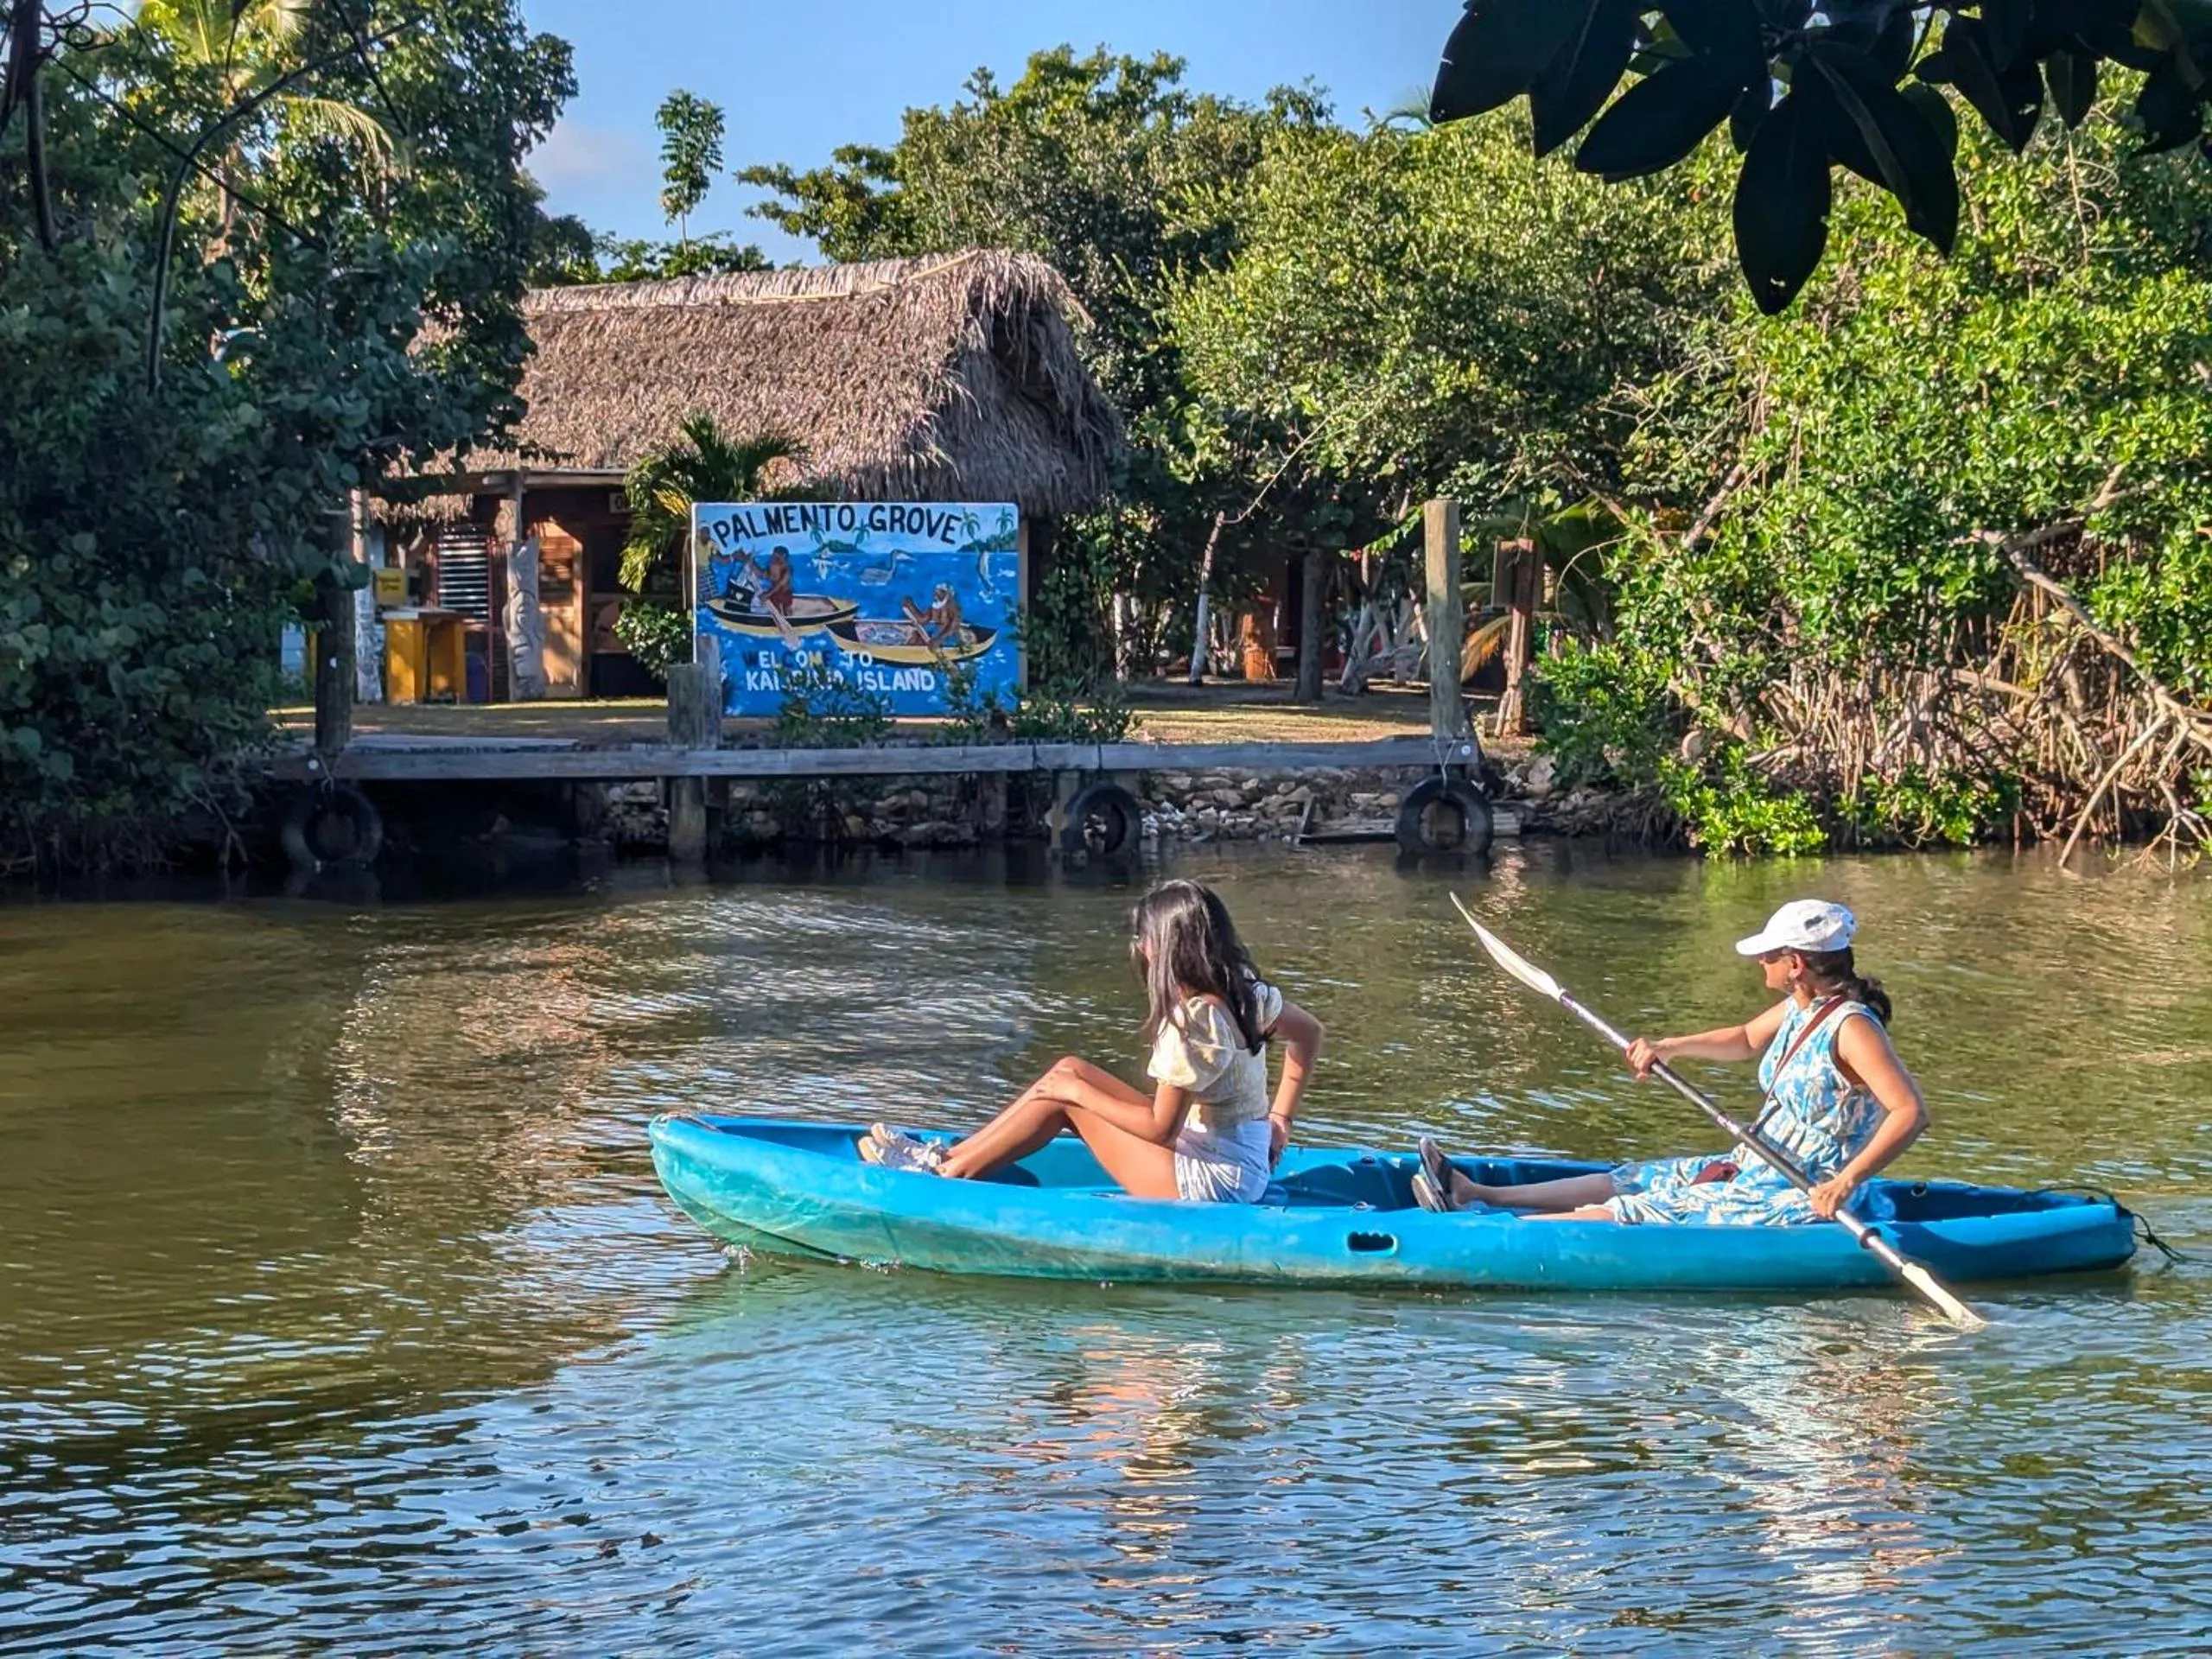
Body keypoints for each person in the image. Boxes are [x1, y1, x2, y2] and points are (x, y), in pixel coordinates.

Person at [1414, 899, 1928, 1224]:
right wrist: (1669, 1046)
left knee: (1642, 1208)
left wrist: (1846, 1181)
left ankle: (1487, 1232)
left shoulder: (1853, 1027)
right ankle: (1476, 1193)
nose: (1759, 963)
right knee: (1636, 1178)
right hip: (1755, 1167)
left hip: (1802, 1191)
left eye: (1768, 956)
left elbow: (1909, 1112)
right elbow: (1746, 1039)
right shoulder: (1803, 1009)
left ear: (1795, 964)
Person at [861, 880, 1325, 1202]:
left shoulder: (1192, 1025)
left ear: (1165, 949)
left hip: (1218, 1183)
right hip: (1233, 1154)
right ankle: (948, 1157)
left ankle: (945, 1177)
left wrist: (1077, 1098)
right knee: (1068, 1069)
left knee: (1068, 1097)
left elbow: (1159, 1129)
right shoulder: (1245, 989)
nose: (1140, 948)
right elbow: (1310, 1034)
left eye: (1144, 939)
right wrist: (1278, 1118)